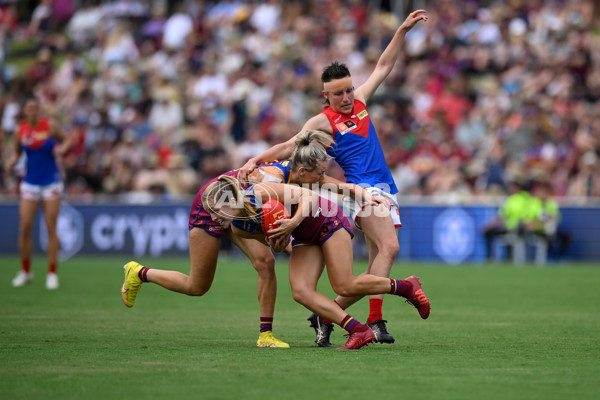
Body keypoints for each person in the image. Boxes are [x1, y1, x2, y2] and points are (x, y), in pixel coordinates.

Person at [239, 10, 429, 345]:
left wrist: (401, 30)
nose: (345, 98)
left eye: (348, 90)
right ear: (325, 96)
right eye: (337, 93)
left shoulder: (361, 102)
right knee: (390, 247)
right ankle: (375, 321)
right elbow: (287, 146)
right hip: (360, 190)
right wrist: (257, 158)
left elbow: (384, 66)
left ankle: (328, 315)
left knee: (375, 260)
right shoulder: (321, 123)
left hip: (385, 187)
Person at [119, 130, 386, 348]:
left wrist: (368, 198)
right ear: (303, 170)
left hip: (240, 208)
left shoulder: (302, 173)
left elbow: (335, 185)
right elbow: (241, 223)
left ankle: (265, 336)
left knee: (266, 264)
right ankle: (140, 272)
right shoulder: (273, 180)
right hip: (214, 203)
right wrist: (284, 233)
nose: (320, 177)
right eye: (318, 173)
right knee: (197, 286)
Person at [201, 175, 431, 350]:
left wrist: (292, 223)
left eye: (215, 209)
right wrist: (279, 242)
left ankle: (407, 287)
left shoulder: (260, 192)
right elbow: (281, 246)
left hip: (326, 218)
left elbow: (308, 196)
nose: (212, 217)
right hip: (304, 236)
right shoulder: (239, 229)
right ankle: (359, 330)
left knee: (344, 286)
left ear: (230, 199)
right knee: (301, 291)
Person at [6, 97, 71, 290]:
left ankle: (52, 273)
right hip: (30, 182)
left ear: (39, 109)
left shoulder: (49, 125)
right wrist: (11, 162)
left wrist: (62, 149)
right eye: (29, 108)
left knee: (51, 226)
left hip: (51, 180)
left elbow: (67, 140)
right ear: (25, 111)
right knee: (25, 226)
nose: (33, 111)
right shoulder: (20, 130)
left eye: (35, 108)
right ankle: (25, 271)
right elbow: (17, 153)